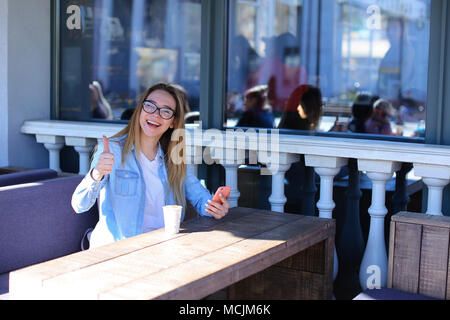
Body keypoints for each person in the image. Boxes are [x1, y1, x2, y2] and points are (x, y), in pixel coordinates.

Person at [72, 83, 230, 249]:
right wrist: (96, 174)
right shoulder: (112, 150)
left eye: (166, 111)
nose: (156, 115)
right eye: (150, 106)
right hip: (117, 252)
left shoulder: (174, 160)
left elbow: (201, 199)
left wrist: (215, 207)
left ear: (172, 122)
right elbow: (79, 205)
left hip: (162, 248)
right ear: (140, 110)